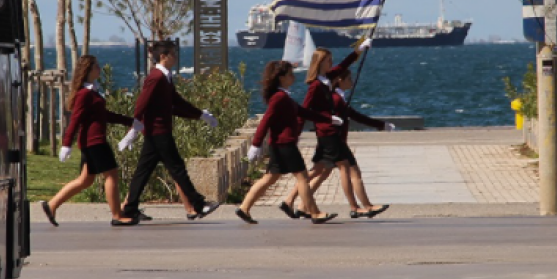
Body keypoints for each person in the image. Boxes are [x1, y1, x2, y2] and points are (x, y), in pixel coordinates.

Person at [119, 41, 221, 222]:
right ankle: (199, 204)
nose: (176, 57)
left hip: (156, 132)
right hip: (158, 132)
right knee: (177, 168)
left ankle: (130, 208)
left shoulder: (165, 77)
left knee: (143, 171)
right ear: (163, 56)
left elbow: (176, 102)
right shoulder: (156, 77)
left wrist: (200, 115)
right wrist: (133, 128)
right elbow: (142, 103)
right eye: (173, 54)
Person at [235, 60, 342, 224]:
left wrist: (328, 119)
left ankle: (244, 208)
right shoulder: (279, 97)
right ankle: (315, 213)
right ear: (281, 77)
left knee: (270, 178)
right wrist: (256, 145)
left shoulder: (283, 96)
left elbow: (303, 112)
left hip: (279, 144)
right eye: (290, 74)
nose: (293, 77)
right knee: (303, 178)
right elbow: (266, 121)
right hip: (285, 144)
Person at [40, 55, 138, 227]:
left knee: (85, 180)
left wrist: (129, 121)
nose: (99, 69)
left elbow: (104, 115)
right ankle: (117, 215)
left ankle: (51, 205)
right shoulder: (84, 94)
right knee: (112, 175)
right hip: (95, 142)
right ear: (87, 71)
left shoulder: (91, 92)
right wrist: (66, 144)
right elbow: (75, 120)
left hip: (91, 142)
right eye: (96, 67)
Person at [277, 41, 371, 220]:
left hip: (328, 130)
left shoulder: (326, 78)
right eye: (328, 60)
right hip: (326, 131)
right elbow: (303, 110)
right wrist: (295, 134)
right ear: (320, 63)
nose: (331, 63)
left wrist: (358, 51)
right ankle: (355, 207)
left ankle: (290, 201)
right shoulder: (315, 85)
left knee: (319, 170)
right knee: (343, 166)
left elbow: (343, 66)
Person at [287, 68, 393, 219]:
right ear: (339, 81)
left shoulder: (336, 98)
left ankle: (298, 204)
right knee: (352, 171)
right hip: (334, 140)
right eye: (349, 79)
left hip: (329, 139)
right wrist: (381, 125)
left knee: (320, 172)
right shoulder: (336, 99)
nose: (352, 81)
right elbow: (355, 115)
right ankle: (360, 207)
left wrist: (381, 125)